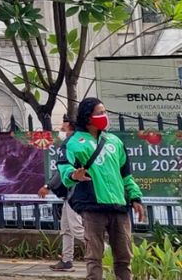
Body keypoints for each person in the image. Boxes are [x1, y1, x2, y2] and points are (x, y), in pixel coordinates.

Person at [60, 98, 145, 280]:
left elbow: (126, 175)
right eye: (99, 113)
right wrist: (74, 175)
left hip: (119, 207)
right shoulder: (73, 143)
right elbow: (64, 169)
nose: (104, 116)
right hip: (92, 207)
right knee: (94, 257)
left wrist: (135, 197)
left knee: (124, 258)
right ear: (87, 116)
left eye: (105, 112)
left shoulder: (115, 142)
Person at [37, 115, 86, 272]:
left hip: (75, 192)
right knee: (66, 228)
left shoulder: (72, 145)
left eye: (63, 126)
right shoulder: (73, 142)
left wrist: (48, 186)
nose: (61, 129)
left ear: (70, 127)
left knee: (77, 228)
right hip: (69, 193)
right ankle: (66, 260)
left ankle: (107, 252)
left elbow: (62, 171)